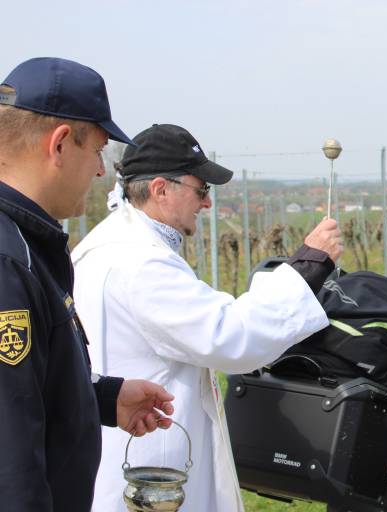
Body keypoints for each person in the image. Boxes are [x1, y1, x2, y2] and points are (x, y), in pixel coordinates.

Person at [71, 123, 344, 512]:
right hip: (150, 469)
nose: (207, 204)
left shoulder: (106, 244)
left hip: (123, 451)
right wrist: (310, 263)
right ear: (161, 189)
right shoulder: (142, 263)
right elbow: (229, 336)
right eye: (201, 190)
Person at [0, 57, 175, 511]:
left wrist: (100, 396)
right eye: (98, 150)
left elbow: (28, 385)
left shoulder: (25, 244)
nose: (101, 171)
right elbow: (10, 460)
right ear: (60, 144)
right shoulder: (8, 262)